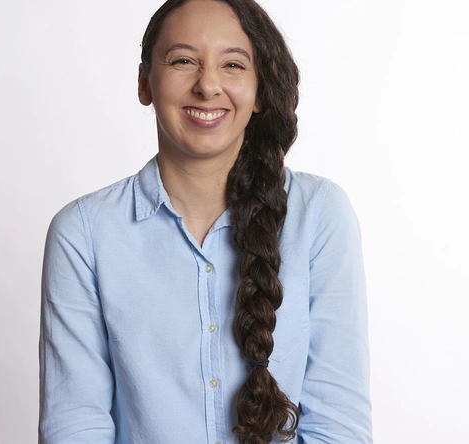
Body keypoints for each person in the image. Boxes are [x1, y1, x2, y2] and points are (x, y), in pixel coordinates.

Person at [38, 0, 372, 442]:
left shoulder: (319, 214)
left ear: (259, 90)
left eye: (233, 64)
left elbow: (339, 427)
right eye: (183, 61)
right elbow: (75, 426)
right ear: (145, 83)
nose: (208, 85)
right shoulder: (83, 233)